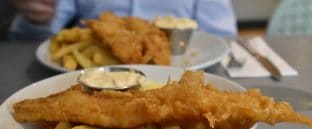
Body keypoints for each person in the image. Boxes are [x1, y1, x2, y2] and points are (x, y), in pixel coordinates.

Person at [9, 0, 237, 40]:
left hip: (177, 69)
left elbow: (223, 39)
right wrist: (37, 19)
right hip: (90, 78)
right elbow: (40, 36)